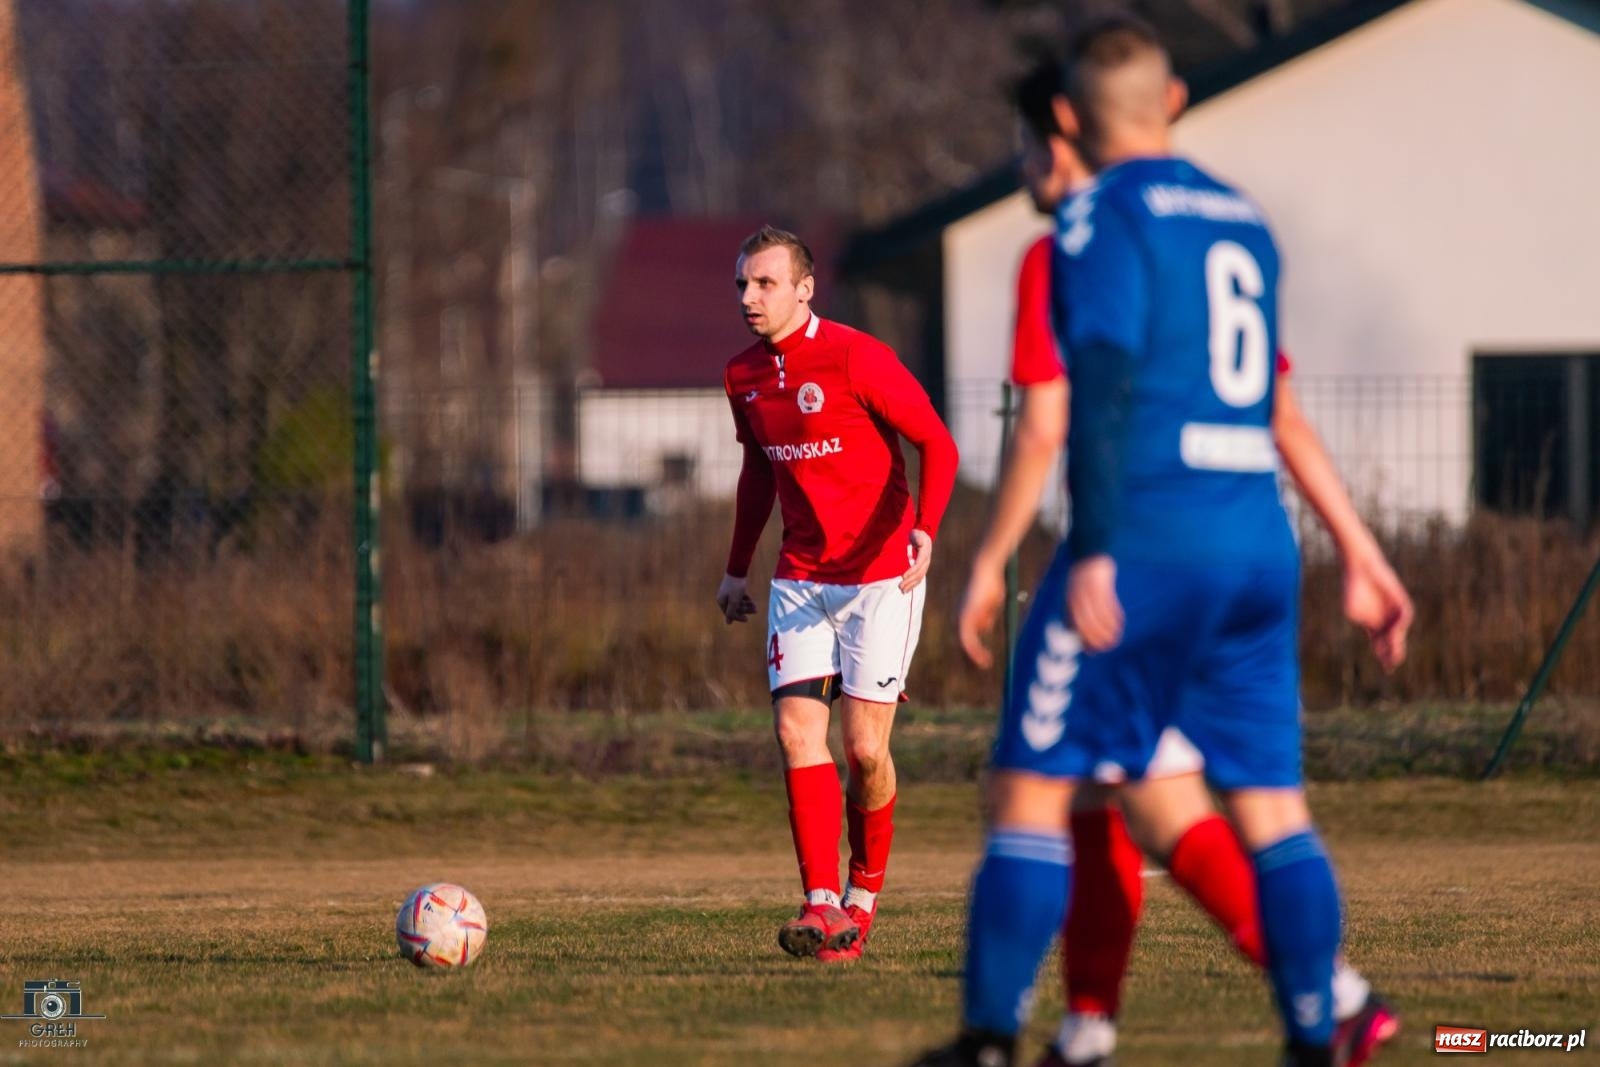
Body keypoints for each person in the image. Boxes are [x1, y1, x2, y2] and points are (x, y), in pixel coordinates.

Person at [914, 19, 1412, 1067]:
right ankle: (1307, 1026)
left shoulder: (1091, 223)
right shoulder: (1242, 221)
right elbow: (1279, 407)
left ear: (1062, 119)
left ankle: (992, 1036)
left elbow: (1070, 405)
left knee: (1034, 786)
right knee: (1258, 803)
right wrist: (1362, 554)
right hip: (1254, 541)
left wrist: (1071, 549)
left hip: (1144, 538)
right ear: (1174, 99)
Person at [717, 225, 959, 962]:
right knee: (796, 735)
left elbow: (938, 443)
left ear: (804, 287)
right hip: (800, 577)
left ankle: (862, 895)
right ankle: (821, 903)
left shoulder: (857, 356)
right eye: (742, 285)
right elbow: (760, 472)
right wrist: (736, 568)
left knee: (863, 750)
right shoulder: (744, 376)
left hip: (882, 578)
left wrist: (927, 529)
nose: (750, 298)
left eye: (764, 283)